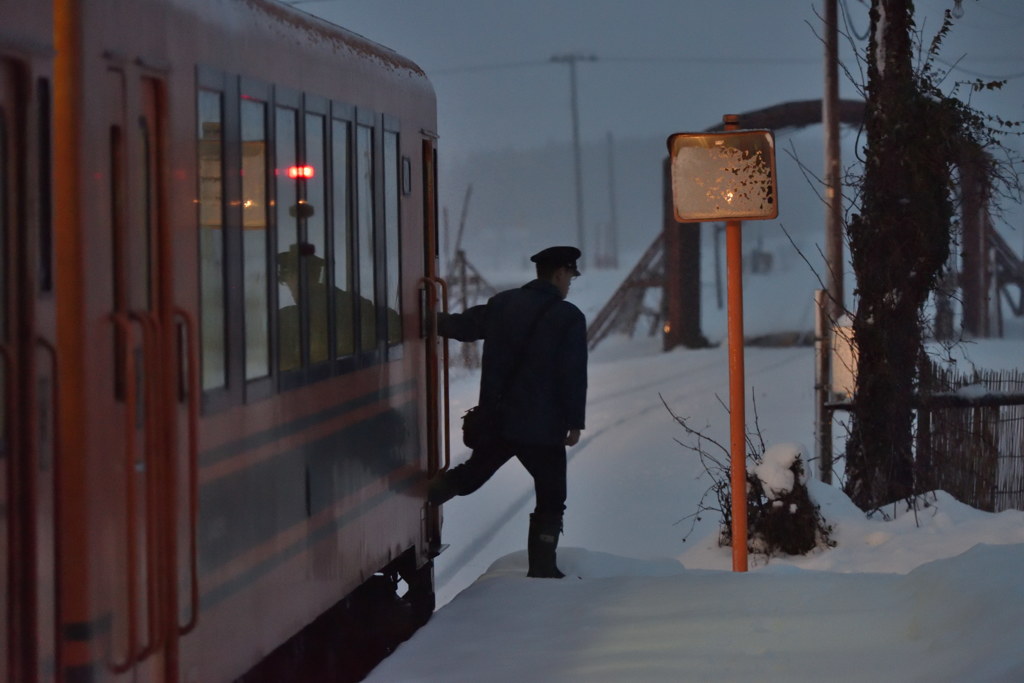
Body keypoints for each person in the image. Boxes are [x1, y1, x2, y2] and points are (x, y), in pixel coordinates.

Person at [428, 246, 588, 578]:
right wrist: (574, 422)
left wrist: (426, 320)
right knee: (551, 494)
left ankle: (421, 496)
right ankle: (543, 568)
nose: (569, 284)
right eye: (569, 277)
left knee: (471, 475)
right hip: (543, 429)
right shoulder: (568, 317)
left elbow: (462, 328)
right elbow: (573, 374)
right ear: (560, 274)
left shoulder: (503, 304)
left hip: (499, 421)